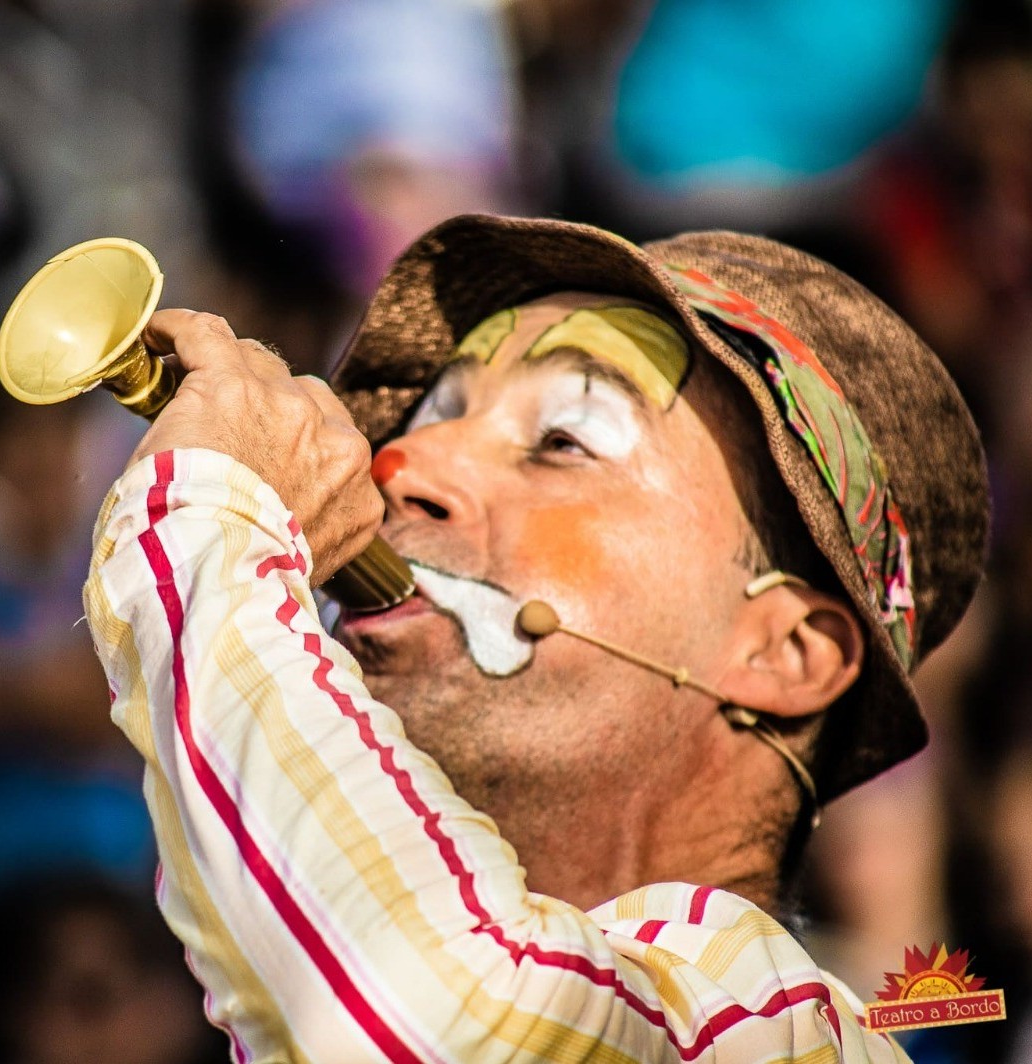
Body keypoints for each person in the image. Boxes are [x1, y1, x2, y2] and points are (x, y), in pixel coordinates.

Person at [81, 213, 988, 1059]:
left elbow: (441, 1013)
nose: (395, 463)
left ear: (784, 654)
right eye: (433, 416)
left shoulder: (784, 1032)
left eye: (561, 440)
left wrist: (204, 521)